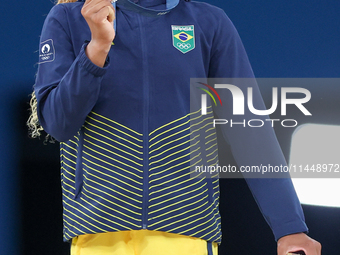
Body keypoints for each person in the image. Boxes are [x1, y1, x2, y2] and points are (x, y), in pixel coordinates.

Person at [27, 0, 322, 254]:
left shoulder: (209, 23)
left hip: (185, 228)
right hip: (99, 229)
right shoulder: (68, 19)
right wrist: (97, 47)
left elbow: (249, 129)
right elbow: (58, 124)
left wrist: (289, 227)